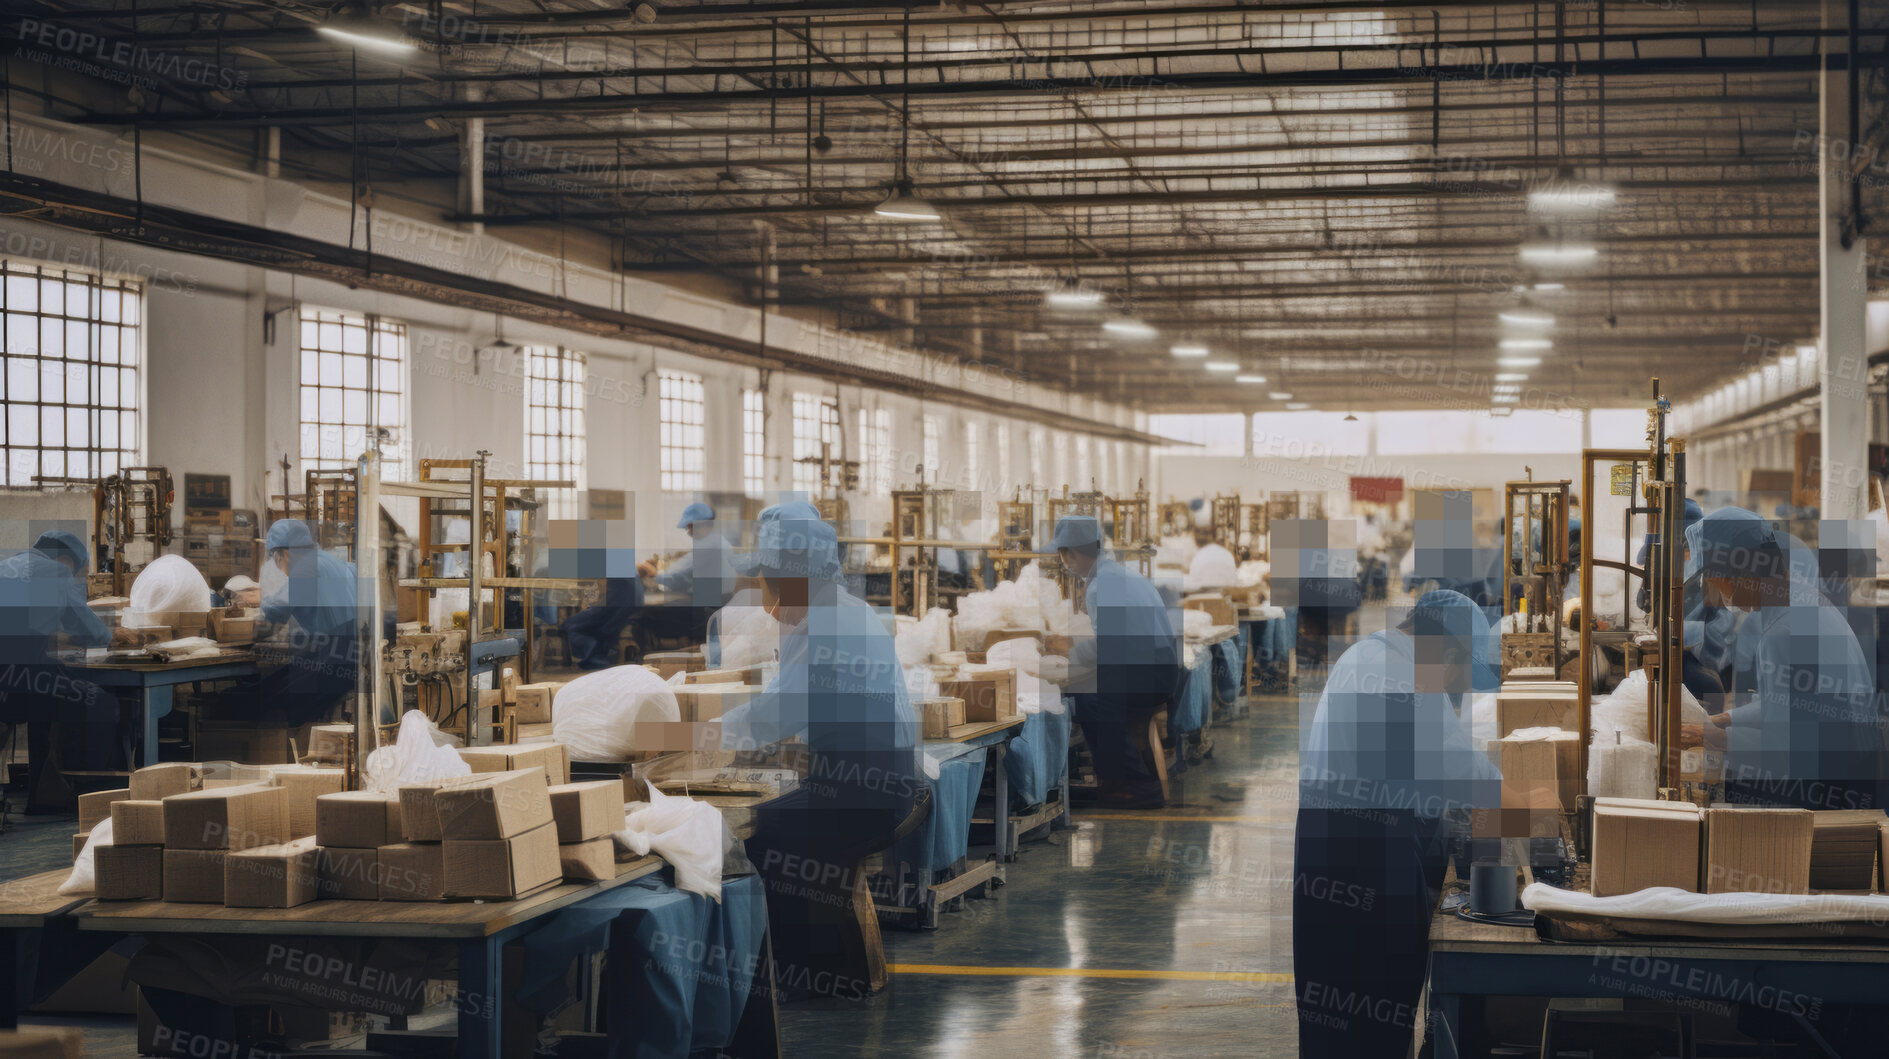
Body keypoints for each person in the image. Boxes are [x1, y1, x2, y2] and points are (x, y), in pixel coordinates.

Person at [717, 510, 921, 997]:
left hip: (864, 792)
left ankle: (803, 975)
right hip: (889, 779)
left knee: (764, 834)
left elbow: (778, 713)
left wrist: (691, 734)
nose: (763, 593)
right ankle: (833, 966)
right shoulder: (848, 610)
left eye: (766, 580)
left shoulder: (820, 625)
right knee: (787, 818)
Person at [1294, 589, 1502, 1059]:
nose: (1457, 689)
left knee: (1341, 1006)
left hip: (1337, 842)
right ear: (1449, 651)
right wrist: (1526, 800)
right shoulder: (1402, 674)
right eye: (1461, 674)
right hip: (1363, 854)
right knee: (1374, 1003)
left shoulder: (1370, 653)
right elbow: (1454, 769)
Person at [1691, 508, 1883, 810]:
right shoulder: (1802, 600)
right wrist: (1723, 720)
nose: (1714, 594)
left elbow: (1784, 751)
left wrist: (1713, 738)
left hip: (1832, 789)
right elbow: (1787, 704)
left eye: (1715, 581)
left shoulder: (1783, 633)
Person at [1044, 514, 1182, 809]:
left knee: (1091, 700)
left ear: (1071, 553)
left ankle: (1136, 787)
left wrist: (1069, 651)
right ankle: (1116, 778)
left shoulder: (1101, 585)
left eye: (1062, 553)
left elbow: (1111, 645)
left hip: (1151, 676)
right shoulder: (1122, 574)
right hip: (1163, 669)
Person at [0, 530, 118, 808]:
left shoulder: (7, 564)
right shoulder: (57, 572)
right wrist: (113, 635)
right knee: (100, 701)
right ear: (66, 560)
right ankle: (89, 792)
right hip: (22, 681)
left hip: (10, 681)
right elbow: (90, 630)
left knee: (46, 695)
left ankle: (42, 793)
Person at [255, 519, 360, 726]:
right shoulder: (336, 562)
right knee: (276, 686)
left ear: (285, 554)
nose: (279, 567)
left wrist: (255, 604)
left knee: (270, 699)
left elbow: (275, 612)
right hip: (352, 655)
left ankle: (286, 751)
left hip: (335, 660)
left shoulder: (306, 569)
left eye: (277, 560)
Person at [635, 501, 736, 645]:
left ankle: (672, 645)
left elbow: (677, 576)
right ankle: (682, 641)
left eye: (691, 527)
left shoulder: (708, 545)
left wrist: (653, 573)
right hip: (718, 601)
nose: (689, 532)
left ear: (706, 525)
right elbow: (685, 574)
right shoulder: (718, 541)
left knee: (647, 612)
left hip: (709, 608)